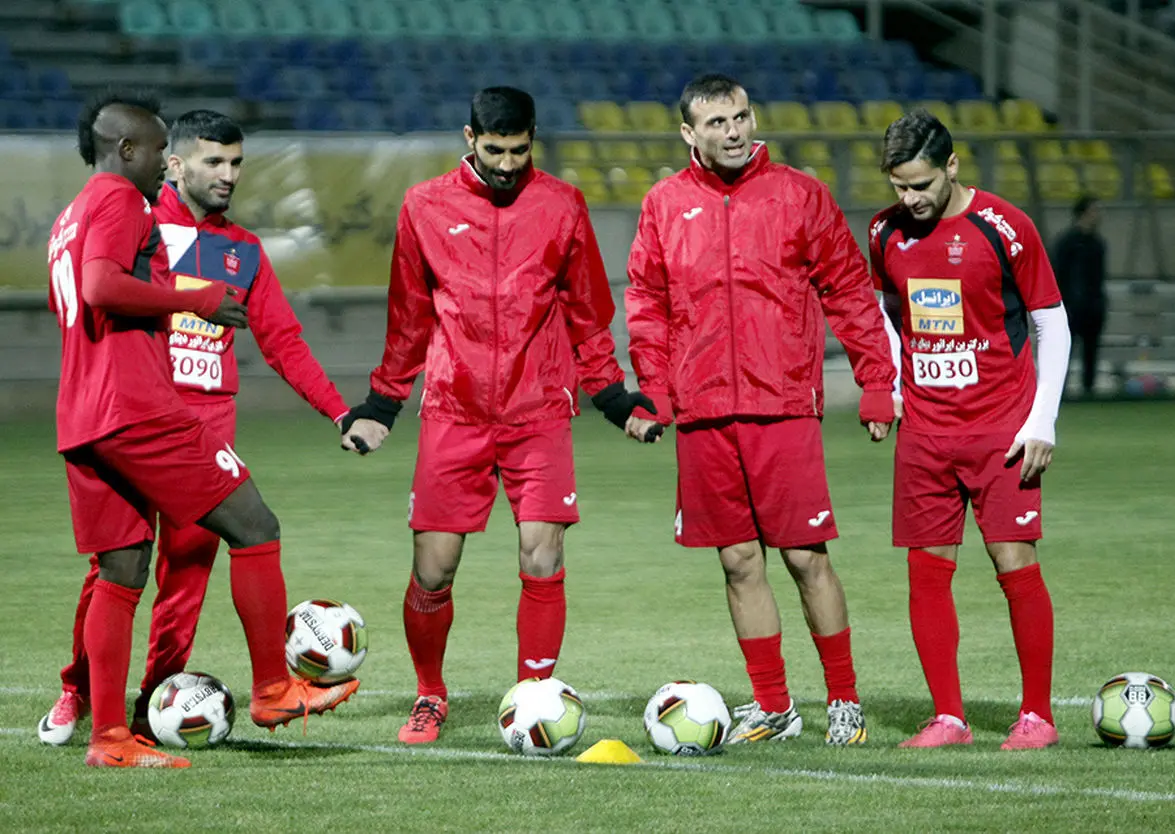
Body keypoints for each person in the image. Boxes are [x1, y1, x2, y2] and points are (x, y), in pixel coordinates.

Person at [47, 90, 357, 768]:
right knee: (256, 527)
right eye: (161, 149)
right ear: (129, 150)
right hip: (141, 409)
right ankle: (273, 690)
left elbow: (77, 302)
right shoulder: (121, 201)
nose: (166, 162)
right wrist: (198, 300)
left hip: (83, 415)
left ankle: (109, 739)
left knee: (122, 570)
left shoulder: (67, 218)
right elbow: (102, 288)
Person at [339, 87, 656, 744]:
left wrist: (613, 397)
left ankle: (533, 699)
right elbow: (409, 318)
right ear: (469, 138)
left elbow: (587, 314)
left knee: (542, 555)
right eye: (494, 150)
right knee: (434, 566)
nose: (508, 164)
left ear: (532, 139)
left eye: (519, 150)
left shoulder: (563, 204)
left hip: (539, 409)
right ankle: (430, 694)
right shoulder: (425, 205)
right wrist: (381, 405)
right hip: (454, 410)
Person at [624, 74, 897, 746]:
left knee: (806, 557)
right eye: (717, 123)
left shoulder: (800, 195)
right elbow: (647, 305)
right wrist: (654, 392)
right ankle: (775, 706)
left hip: (782, 406)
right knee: (739, 562)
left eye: (741, 117)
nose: (736, 131)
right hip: (703, 412)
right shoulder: (663, 204)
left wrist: (876, 383)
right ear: (689, 133)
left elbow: (851, 293)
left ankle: (844, 701)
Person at [868, 109, 1070, 750]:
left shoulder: (1005, 227)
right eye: (899, 186)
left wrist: (1043, 420)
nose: (910, 199)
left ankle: (1036, 715)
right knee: (926, 573)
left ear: (951, 166)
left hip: (1002, 429)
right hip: (925, 433)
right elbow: (886, 315)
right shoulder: (884, 233)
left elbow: (1051, 322)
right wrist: (892, 387)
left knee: (1015, 565)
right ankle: (948, 717)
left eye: (921, 185)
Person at [1052, 195, 1107, 397]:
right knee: (1065, 350)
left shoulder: (1097, 244)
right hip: (1070, 306)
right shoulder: (1067, 243)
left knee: (1091, 351)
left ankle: (1088, 390)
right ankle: (1060, 392)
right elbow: (1058, 274)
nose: (1098, 216)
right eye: (1094, 211)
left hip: (1093, 306)